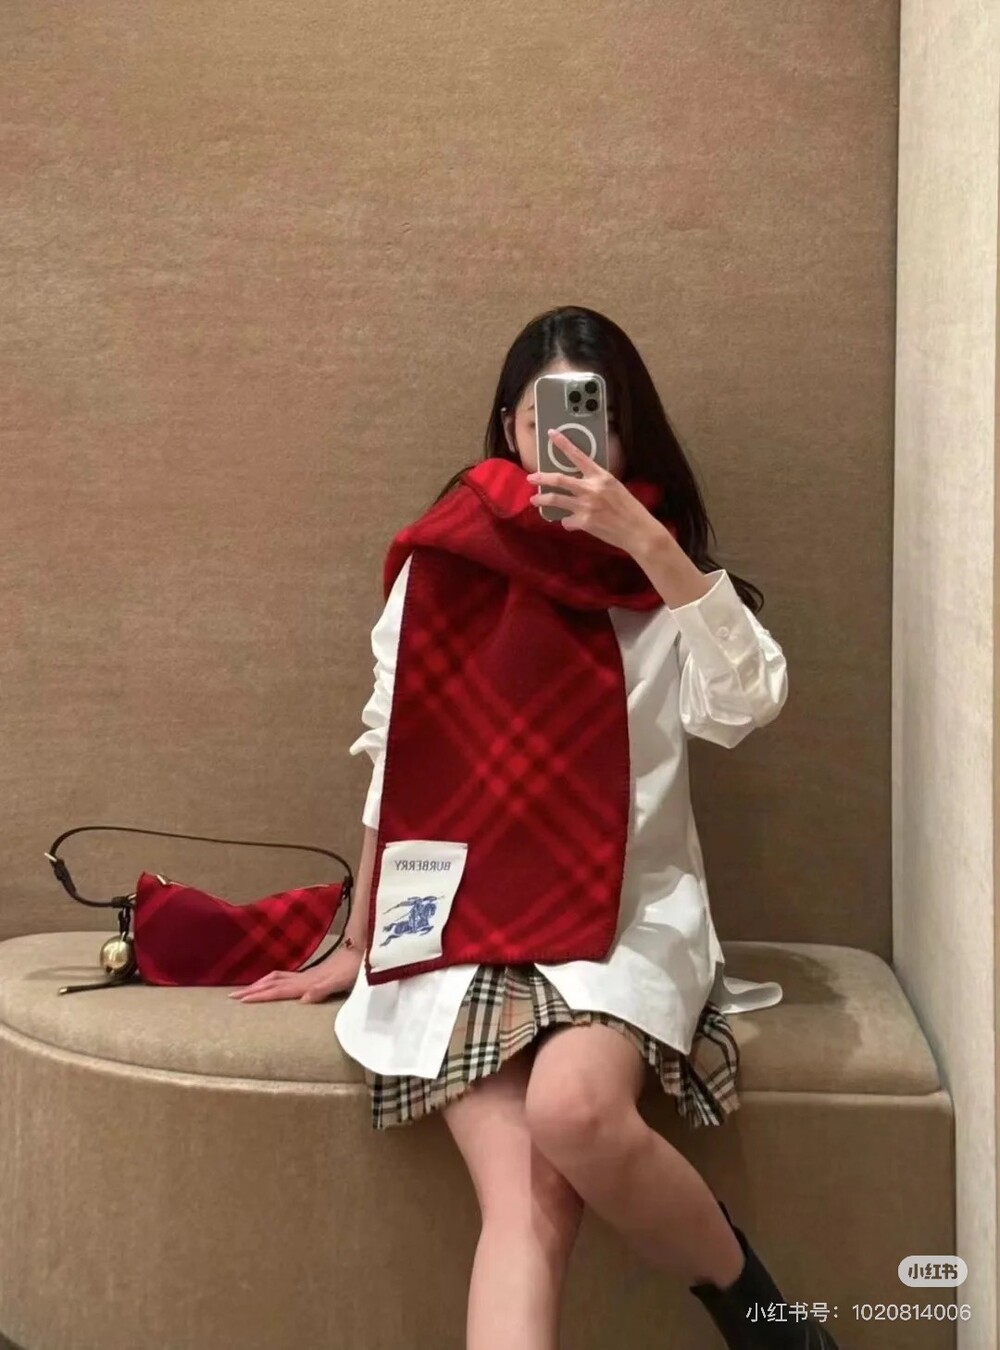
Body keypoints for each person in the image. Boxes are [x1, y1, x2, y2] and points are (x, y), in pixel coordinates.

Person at [231, 306, 841, 1350]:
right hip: (460, 923)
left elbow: (748, 703)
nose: (566, 440)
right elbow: (395, 756)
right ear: (509, 427)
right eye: (540, 416)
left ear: (627, 433)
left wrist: (645, 542)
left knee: (573, 1114)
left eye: (594, 417)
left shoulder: (663, 587)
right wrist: (358, 939)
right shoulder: (441, 565)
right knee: (527, 1204)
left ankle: (764, 1317)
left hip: (618, 920)